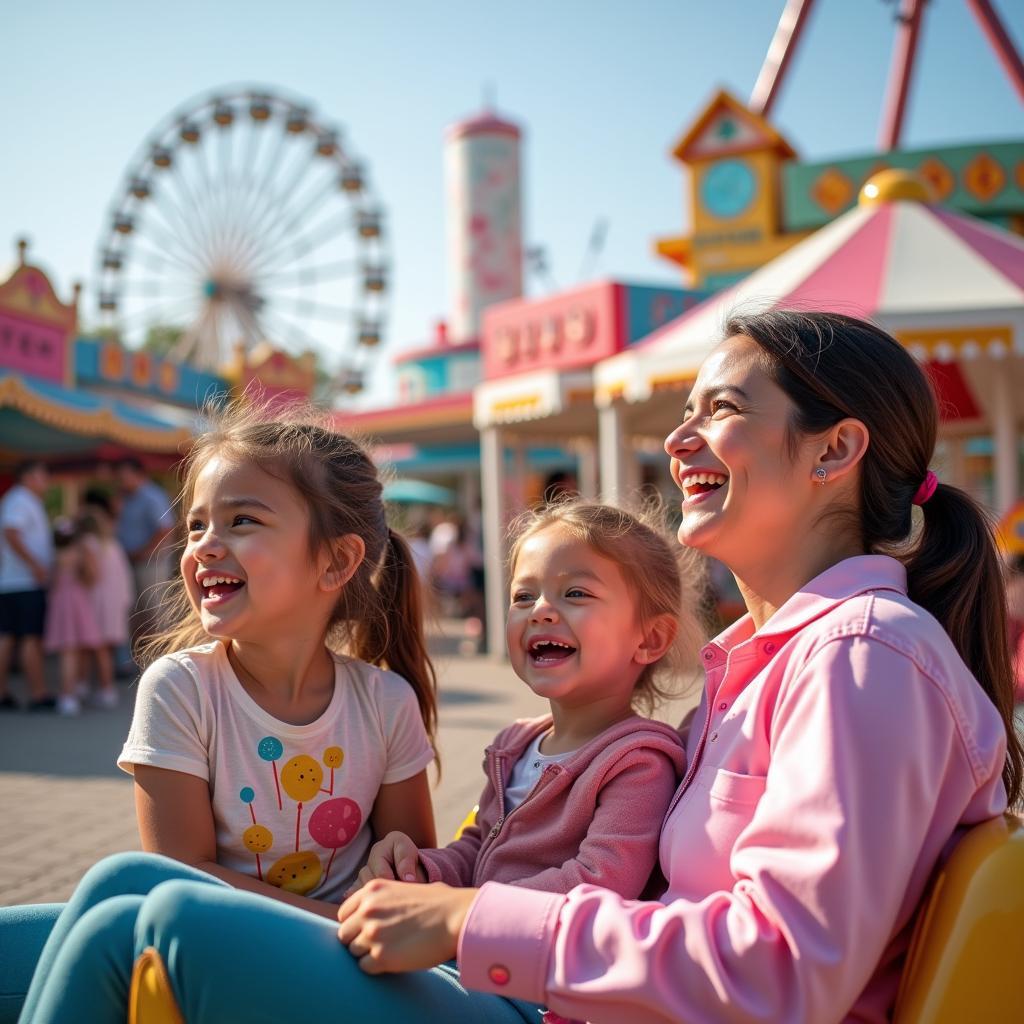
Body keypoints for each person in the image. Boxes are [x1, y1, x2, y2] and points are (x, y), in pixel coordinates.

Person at [9, 310, 1023, 1024]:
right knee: (119, 883)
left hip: (551, 1004)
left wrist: (468, 920)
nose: (677, 438)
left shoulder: (863, 662)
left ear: (833, 449)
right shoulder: (761, 666)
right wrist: (446, 884)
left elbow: (782, 969)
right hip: (559, 992)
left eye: (718, 409)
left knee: (163, 918)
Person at [5, 400, 439, 1023]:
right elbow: (182, 871)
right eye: (197, 526)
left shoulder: (383, 703)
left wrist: (390, 874)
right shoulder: (181, 689)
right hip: (295, 928)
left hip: (336, 959)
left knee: (122, 884)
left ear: (336, 562)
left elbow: (413, 877)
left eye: (242, 521)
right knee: (96, 898)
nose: (206, 545)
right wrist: (348, 915)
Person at [349, 501, 695, 902]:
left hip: (550, 960)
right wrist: (419, 872)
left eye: (576, 593)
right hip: (472, 943)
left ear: (649, 638)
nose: (541, 611)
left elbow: (602, 880)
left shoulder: (638, 762)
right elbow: (477, 849)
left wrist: (460, 909)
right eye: (524, 596)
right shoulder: (516, 744)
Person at [0, 460, 54, 711]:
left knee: (8, 637)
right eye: (43, 475)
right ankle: (38, 693)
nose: (46, 481)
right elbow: (11, 532)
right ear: (29, 476)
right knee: (30, 637)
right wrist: (35, 565)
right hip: (24, 582)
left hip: (13, 582)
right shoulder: (21, 500)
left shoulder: (19, 499)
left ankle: (5, 693)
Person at [42, 518, 103, 717]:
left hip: (59, 603)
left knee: (67, 651)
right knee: (75, 650)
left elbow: (50, 581)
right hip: (77, 601)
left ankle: (70, 692)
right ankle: (70, 694)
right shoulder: (78, 554)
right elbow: (92, 577)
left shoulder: (55, 557)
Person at [74, 505, 132, 709]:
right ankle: (100, 688)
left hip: (96, 600)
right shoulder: (113, 544)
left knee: (93, 647)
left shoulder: (88, 543)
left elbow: (92, 574)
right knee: (103, 647)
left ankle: (101, 689)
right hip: (115, 600)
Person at [114, 457, 174, 644]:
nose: (121, 481)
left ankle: (162, 653)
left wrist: (146, 552)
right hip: (131, 562)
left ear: (138, 475)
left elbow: (166, 529)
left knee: (154, 610)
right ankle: (141, 655)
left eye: (124, 476)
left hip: (149, 563)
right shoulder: (126, 498)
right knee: (136, 610)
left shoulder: (152, 496)